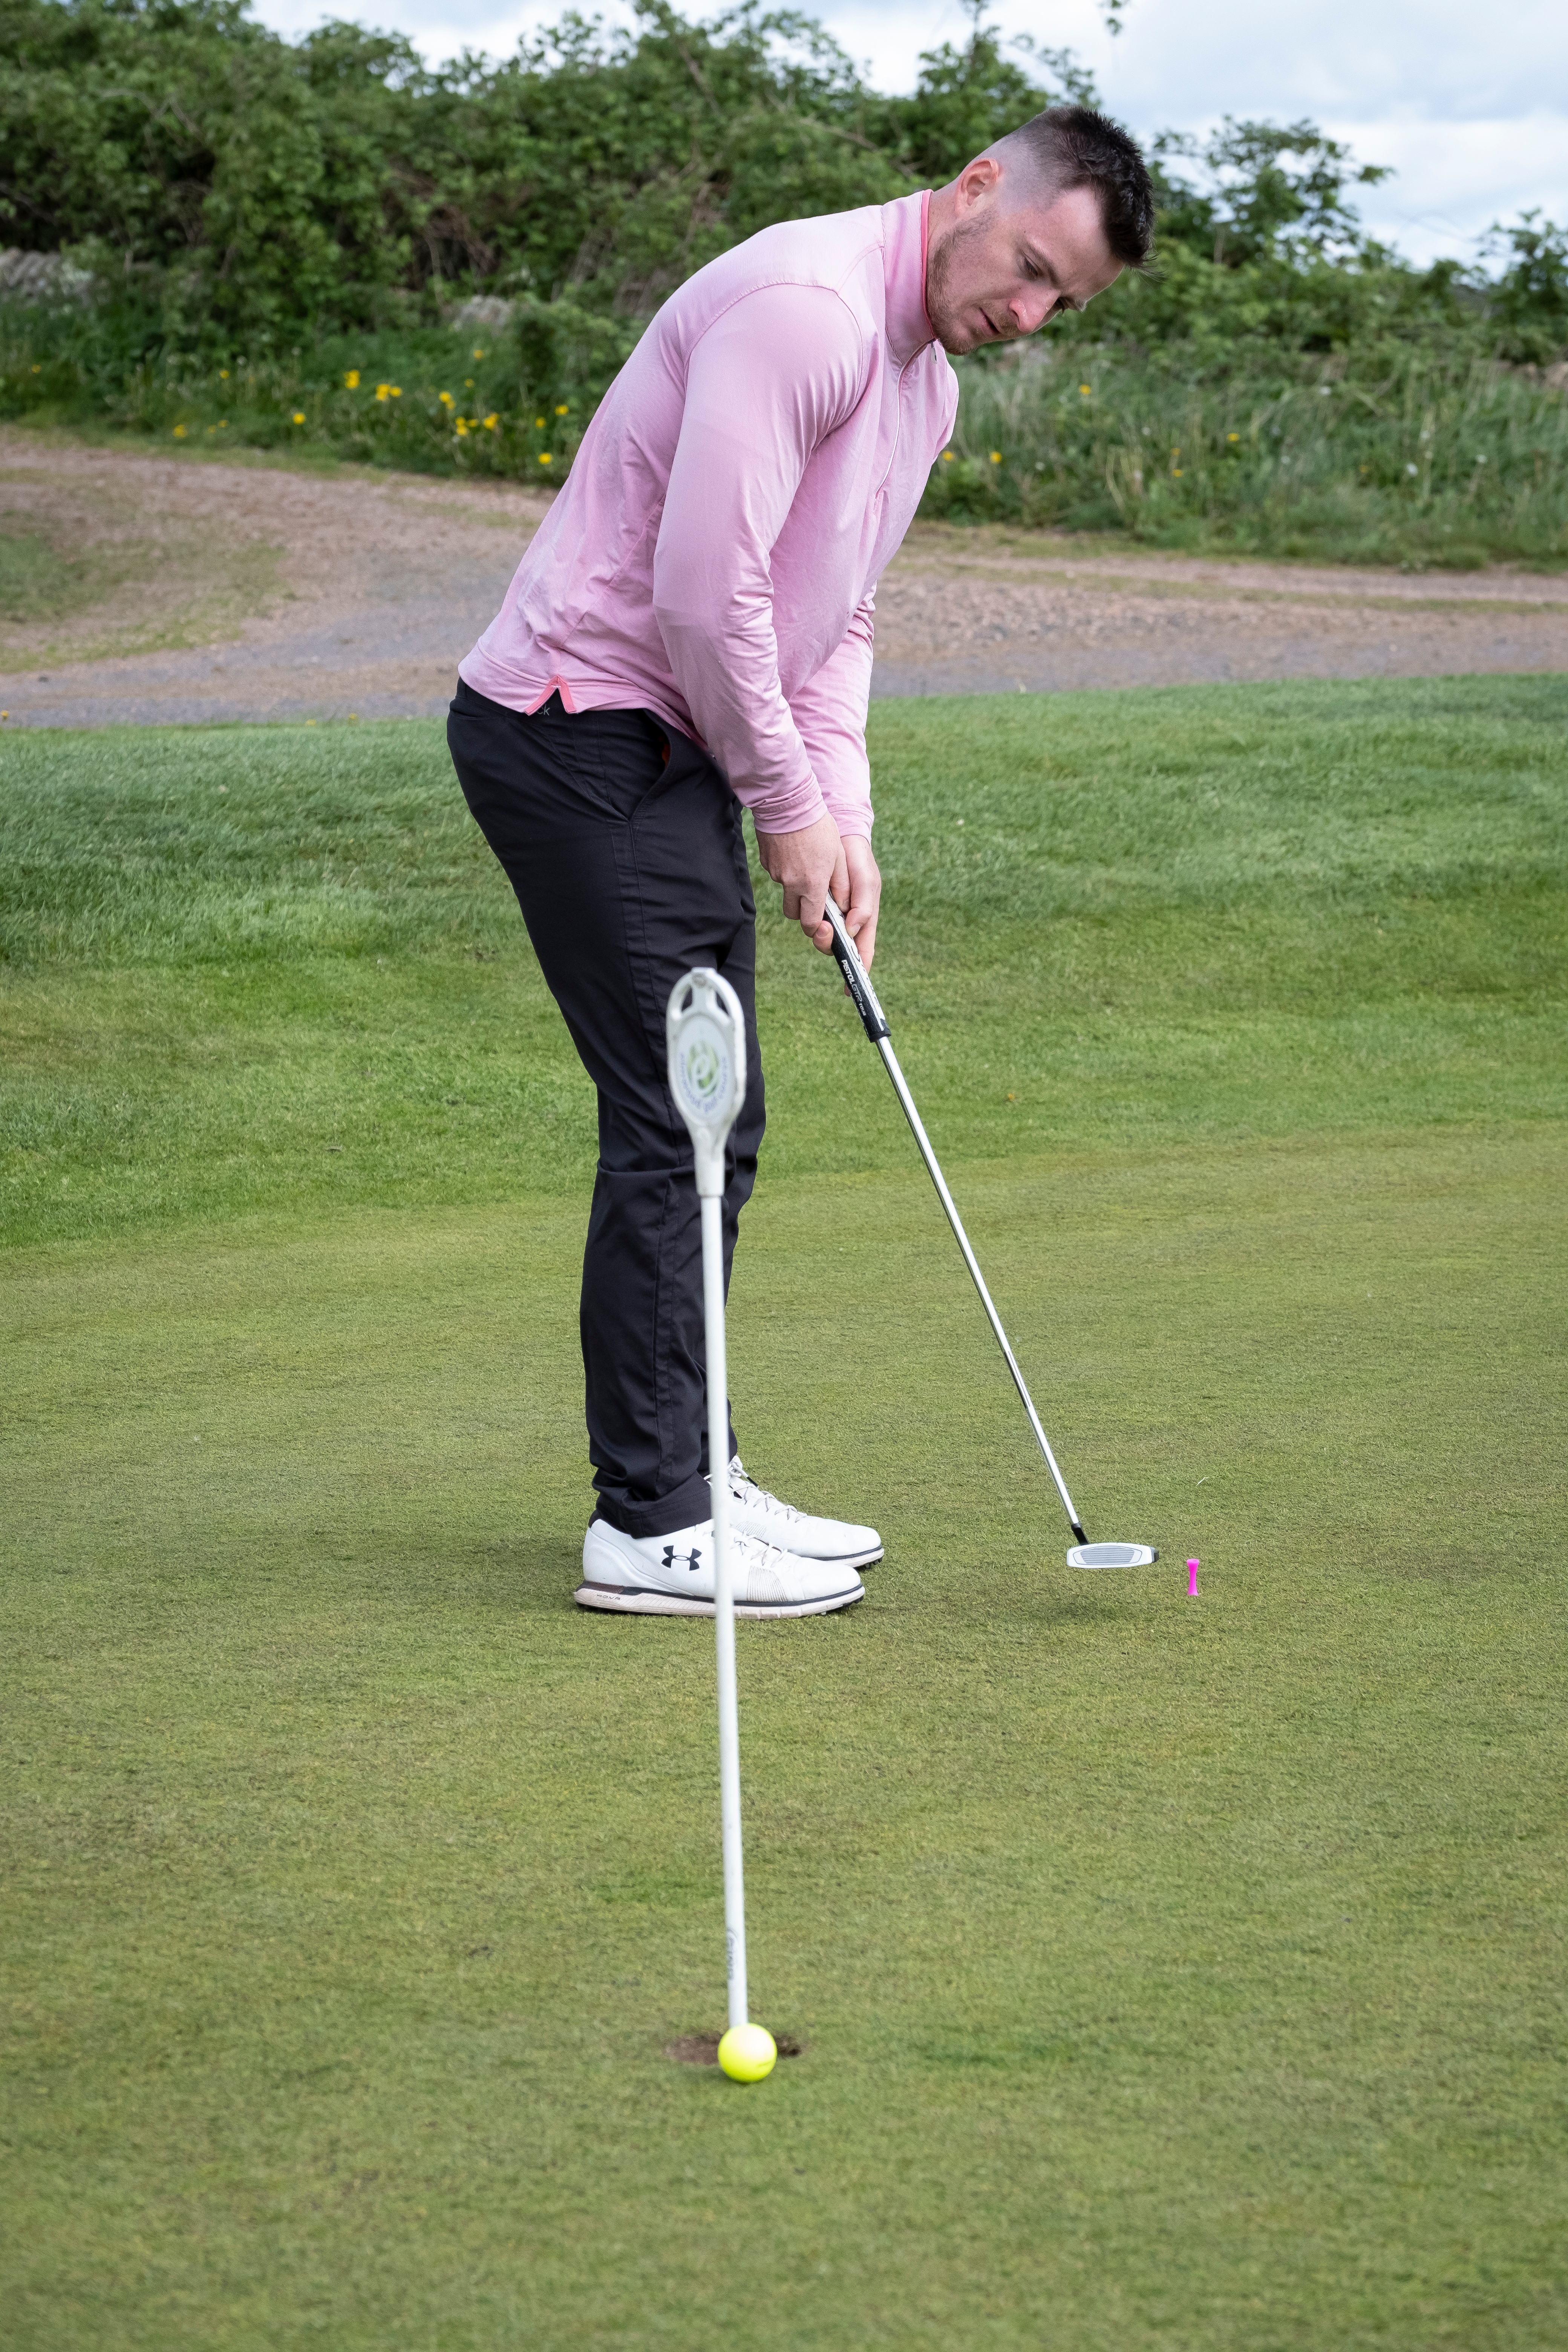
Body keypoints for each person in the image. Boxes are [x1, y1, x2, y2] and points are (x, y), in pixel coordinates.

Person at [448, 104, 1154, 1621]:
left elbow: (831, 618)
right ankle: (648, 1522)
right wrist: (784, 805)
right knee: (681, 1122)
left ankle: (690, 1469)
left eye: (1060, 304)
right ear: (975, 189)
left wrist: (844, 819)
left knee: (715, 1115)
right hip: (579, 730)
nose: (1026, 316)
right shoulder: (806, 312)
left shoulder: (922, 385)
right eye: (1027, 267)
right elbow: (705, 596)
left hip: (667, 742)